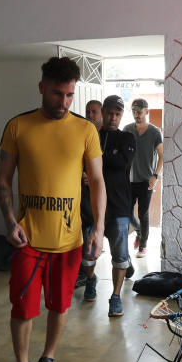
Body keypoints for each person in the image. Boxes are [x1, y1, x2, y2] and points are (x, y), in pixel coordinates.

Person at [0, 57, 105, 362]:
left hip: (69, 239)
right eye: (57, 93)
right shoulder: (17, 126)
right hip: (28, 238)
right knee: (23, 308)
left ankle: (48, 359)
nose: (63, 102)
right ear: (42, 87)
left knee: (60, 305)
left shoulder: (85, 130)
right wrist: (9, 221)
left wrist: (99, 227)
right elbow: (3, 180)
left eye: (70, 95)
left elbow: (98, 181)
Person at [80, 95, 136, 316]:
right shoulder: (89, 136)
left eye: (118, 114)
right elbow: (78, 163)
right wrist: (83, 172)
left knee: (120, 257)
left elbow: (121, 163)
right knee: (88, 255)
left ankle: (115, 296)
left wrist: (93, 167)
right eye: (110, 113)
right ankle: (91, 280)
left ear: (121, 115)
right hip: (89, 208)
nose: (113, 117)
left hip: (118, 208)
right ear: (103, 112)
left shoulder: (127, 138)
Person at [123, 98, 164, 258]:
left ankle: (143, 246)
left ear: (146, 111)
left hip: (147, 180)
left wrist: (155, 175)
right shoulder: (127, 129)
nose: (136, 114)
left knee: (143, 213)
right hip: (129, 180)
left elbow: (162, 155)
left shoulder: (154, 132)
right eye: (133, 111)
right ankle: (139, 231)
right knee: (126, 210)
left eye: (139, 112)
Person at [77, 99, 103, 288]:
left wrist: (93, 175)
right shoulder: (80, 133)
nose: (90, 115)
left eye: (94, 111)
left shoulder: (106, 136)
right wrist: (81, 173)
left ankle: (126, 266)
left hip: (101, 198)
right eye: (88, 111)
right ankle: (87, 276)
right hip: (80, 199)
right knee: (83, 241)